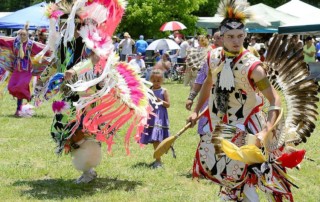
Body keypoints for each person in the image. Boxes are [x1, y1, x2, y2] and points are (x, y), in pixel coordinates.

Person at [187, 0, 286, 201]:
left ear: (245, 36)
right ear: (220, 37)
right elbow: (208, 83)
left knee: (250, 178)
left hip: (247, 126)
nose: (236, 41)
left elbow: (275, 99)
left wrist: (265, 131)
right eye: (230, 36)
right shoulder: (213, 57)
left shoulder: (254, 67)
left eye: (240, 36)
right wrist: (196, 110)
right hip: (221, 125)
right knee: (228, 176)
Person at [0, 23, 47, 117]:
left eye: (24, 34)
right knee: (11, 87)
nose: (21, 36)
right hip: (17, 70)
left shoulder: (31, 44)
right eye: (20, 34)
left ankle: (21, 108)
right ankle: (24, 105)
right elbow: (4, 41)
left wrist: (51, 52)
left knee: (21, 88)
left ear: (27, 35)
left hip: (27, 70)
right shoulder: (15, 43)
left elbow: (43, 50)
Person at [140, 69, 170, 168]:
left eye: (158, 81)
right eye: (154, 81)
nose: (156, 83)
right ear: (151, 80)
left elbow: (168, 105)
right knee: (154, 139)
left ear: (162, 81)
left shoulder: (163, 91)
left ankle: (158, 160)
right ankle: (158, 160)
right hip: (151, 117)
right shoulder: (149, 91)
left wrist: (159, 100)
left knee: (158, 138)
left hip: (160, 117)